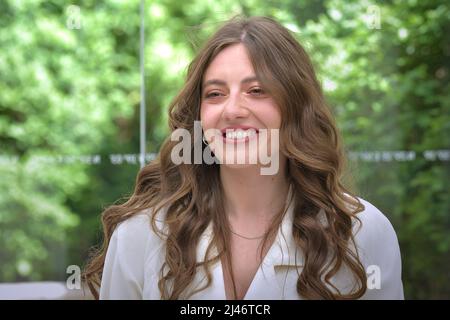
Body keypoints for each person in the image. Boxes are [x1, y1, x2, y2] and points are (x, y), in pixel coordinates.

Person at [83, 16, 404, 300]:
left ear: (295, 106)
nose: (233, 110)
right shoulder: (141, 235)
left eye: (257, 90)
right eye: (215, 94)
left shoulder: (362, 232)